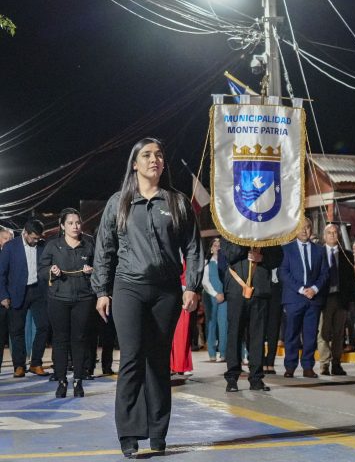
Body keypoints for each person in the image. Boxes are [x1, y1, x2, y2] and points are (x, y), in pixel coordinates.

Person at [92, 137, 203, 457]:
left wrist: (192, 286)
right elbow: (104, 249)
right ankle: (128, 433)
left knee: (158, 362)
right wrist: (102, 290)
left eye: (158, 155)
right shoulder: (119, 202)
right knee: (131, 357)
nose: (154, 159)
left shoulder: (178, 202)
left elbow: (194, 248)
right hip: (128, 287)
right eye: (146, 155)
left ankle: (158, 432)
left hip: (166, 292)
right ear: (135, 163)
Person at [38, 208, 95, 398]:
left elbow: (99, 268)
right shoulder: (53, 246)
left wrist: (91, 271)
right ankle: (61, 381)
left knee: (79, 340)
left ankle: (78, 380)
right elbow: (42, 269)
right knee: (60, 340)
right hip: (58, 299)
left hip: (83, 299)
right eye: (70, 223)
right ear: (62, 226)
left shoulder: (89, 245)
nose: (75, 226)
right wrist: (51, 271)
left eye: (78, 222)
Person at [220, 239, 282, 392]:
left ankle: (256, 378)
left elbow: (278, 257)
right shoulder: (231, 230)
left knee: (258, 335)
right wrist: (244, 242)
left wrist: (263, 258)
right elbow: (229, 255)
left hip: (260, 289)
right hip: (236, 288)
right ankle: (232, 377)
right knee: (234, 333)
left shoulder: (266, 232)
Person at [279, 217, 328, 378]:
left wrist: (314, 289)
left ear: (311, 229)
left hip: (313, 299)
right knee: (291, 333)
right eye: (301, 228)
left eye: (307, 227)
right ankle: (290, 366)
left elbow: (324, 273)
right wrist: (301, 289)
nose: (304, 230)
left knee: (310, 334)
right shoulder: (287, 249)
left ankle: (308, 366)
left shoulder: (319, 250)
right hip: (294, 298)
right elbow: (283, 273)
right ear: (295, 230)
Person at [0, 218, 50, 378]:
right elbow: (1, 274)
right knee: (16, 331)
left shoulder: (43, 246)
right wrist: (3, 295)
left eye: (38, 238)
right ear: (25, 233)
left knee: (43, 327)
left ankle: (36, 363)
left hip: (38, 292)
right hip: (16, 292)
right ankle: (19, 365)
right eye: (33, 237)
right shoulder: (10, 247)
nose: (36, 241)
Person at [318, 223, 355, 376]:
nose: (333, 235)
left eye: (335, 232)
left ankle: (336, 363)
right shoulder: (319, 253)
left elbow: (351, 279)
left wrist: (351, 300)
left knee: (339, 333)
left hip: (341, 298)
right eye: (329, 232)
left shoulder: (347, 254)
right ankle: (324, 364)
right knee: (323, 332)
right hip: (325, 298)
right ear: (324, 236)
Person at [201, 237, 227, 362]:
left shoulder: (225, 263)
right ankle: (211, 352)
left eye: (219, 245)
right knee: (211, 324)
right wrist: (215, 294)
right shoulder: (207, 263)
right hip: (211, 296)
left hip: (224, 296)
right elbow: (205, 282)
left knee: (223, 324)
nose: (218, 247)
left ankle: (223, 352)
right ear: (211, 249)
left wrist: (223, 294)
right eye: (215, 245)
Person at [0, 226, 14, 374]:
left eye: (10, 239)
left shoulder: (12, 254)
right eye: (5, 239)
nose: (9, 241)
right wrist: (3, 296)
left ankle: (19, 365)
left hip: (12, 300)